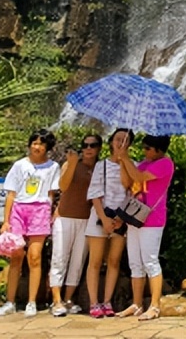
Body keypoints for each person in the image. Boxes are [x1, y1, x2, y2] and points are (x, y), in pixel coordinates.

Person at [0, 130, 61, 318]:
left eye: (41, 144)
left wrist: (48, 212)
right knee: (16, 256)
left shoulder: (53, 167)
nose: (37, 147)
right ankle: (10, 302)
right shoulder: (20, 165)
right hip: (19, 209)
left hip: (39, 210)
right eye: (34, 143)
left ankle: (31, 302)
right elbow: (11, 194)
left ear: (48, 147)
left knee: (35, 256)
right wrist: (6, 221)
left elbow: (51, 193)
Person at [113, 133, 174, 321]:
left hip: (152, 220)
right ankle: (137, 304)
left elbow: (139, 177)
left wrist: (126, 158)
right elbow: (128, 182)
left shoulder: (165, 164)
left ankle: (155, 306)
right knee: (135, 263)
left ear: (159, 150)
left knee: (150, 261)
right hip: (135, 217)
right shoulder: (144, 163)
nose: (144, 151)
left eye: (148, 148)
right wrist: (122, 161)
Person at [48, 134, 99, 316]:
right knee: (59, 257)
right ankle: (56, 300)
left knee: (78, 261)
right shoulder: (71, 163)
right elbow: (63, 186)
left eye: (93, 145)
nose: (88, 149)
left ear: (99, 148)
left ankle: (68, 299)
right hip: (65, 218)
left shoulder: (100, 168)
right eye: (85, 145)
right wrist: (71, 164)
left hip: (86, 220)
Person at [84, 128, 132, 318]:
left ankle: (107, 301)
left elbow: (130, 189)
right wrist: (104, 218)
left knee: (114, 261)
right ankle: (94, 303)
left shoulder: (132, 165)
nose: (121, 143)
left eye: (125, 140)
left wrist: (124, 161)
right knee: (95, 262)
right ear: (111, 141)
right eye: (118, 139)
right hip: (100, 216)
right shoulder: (101, 165)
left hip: (121, 218)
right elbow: (94, 193)